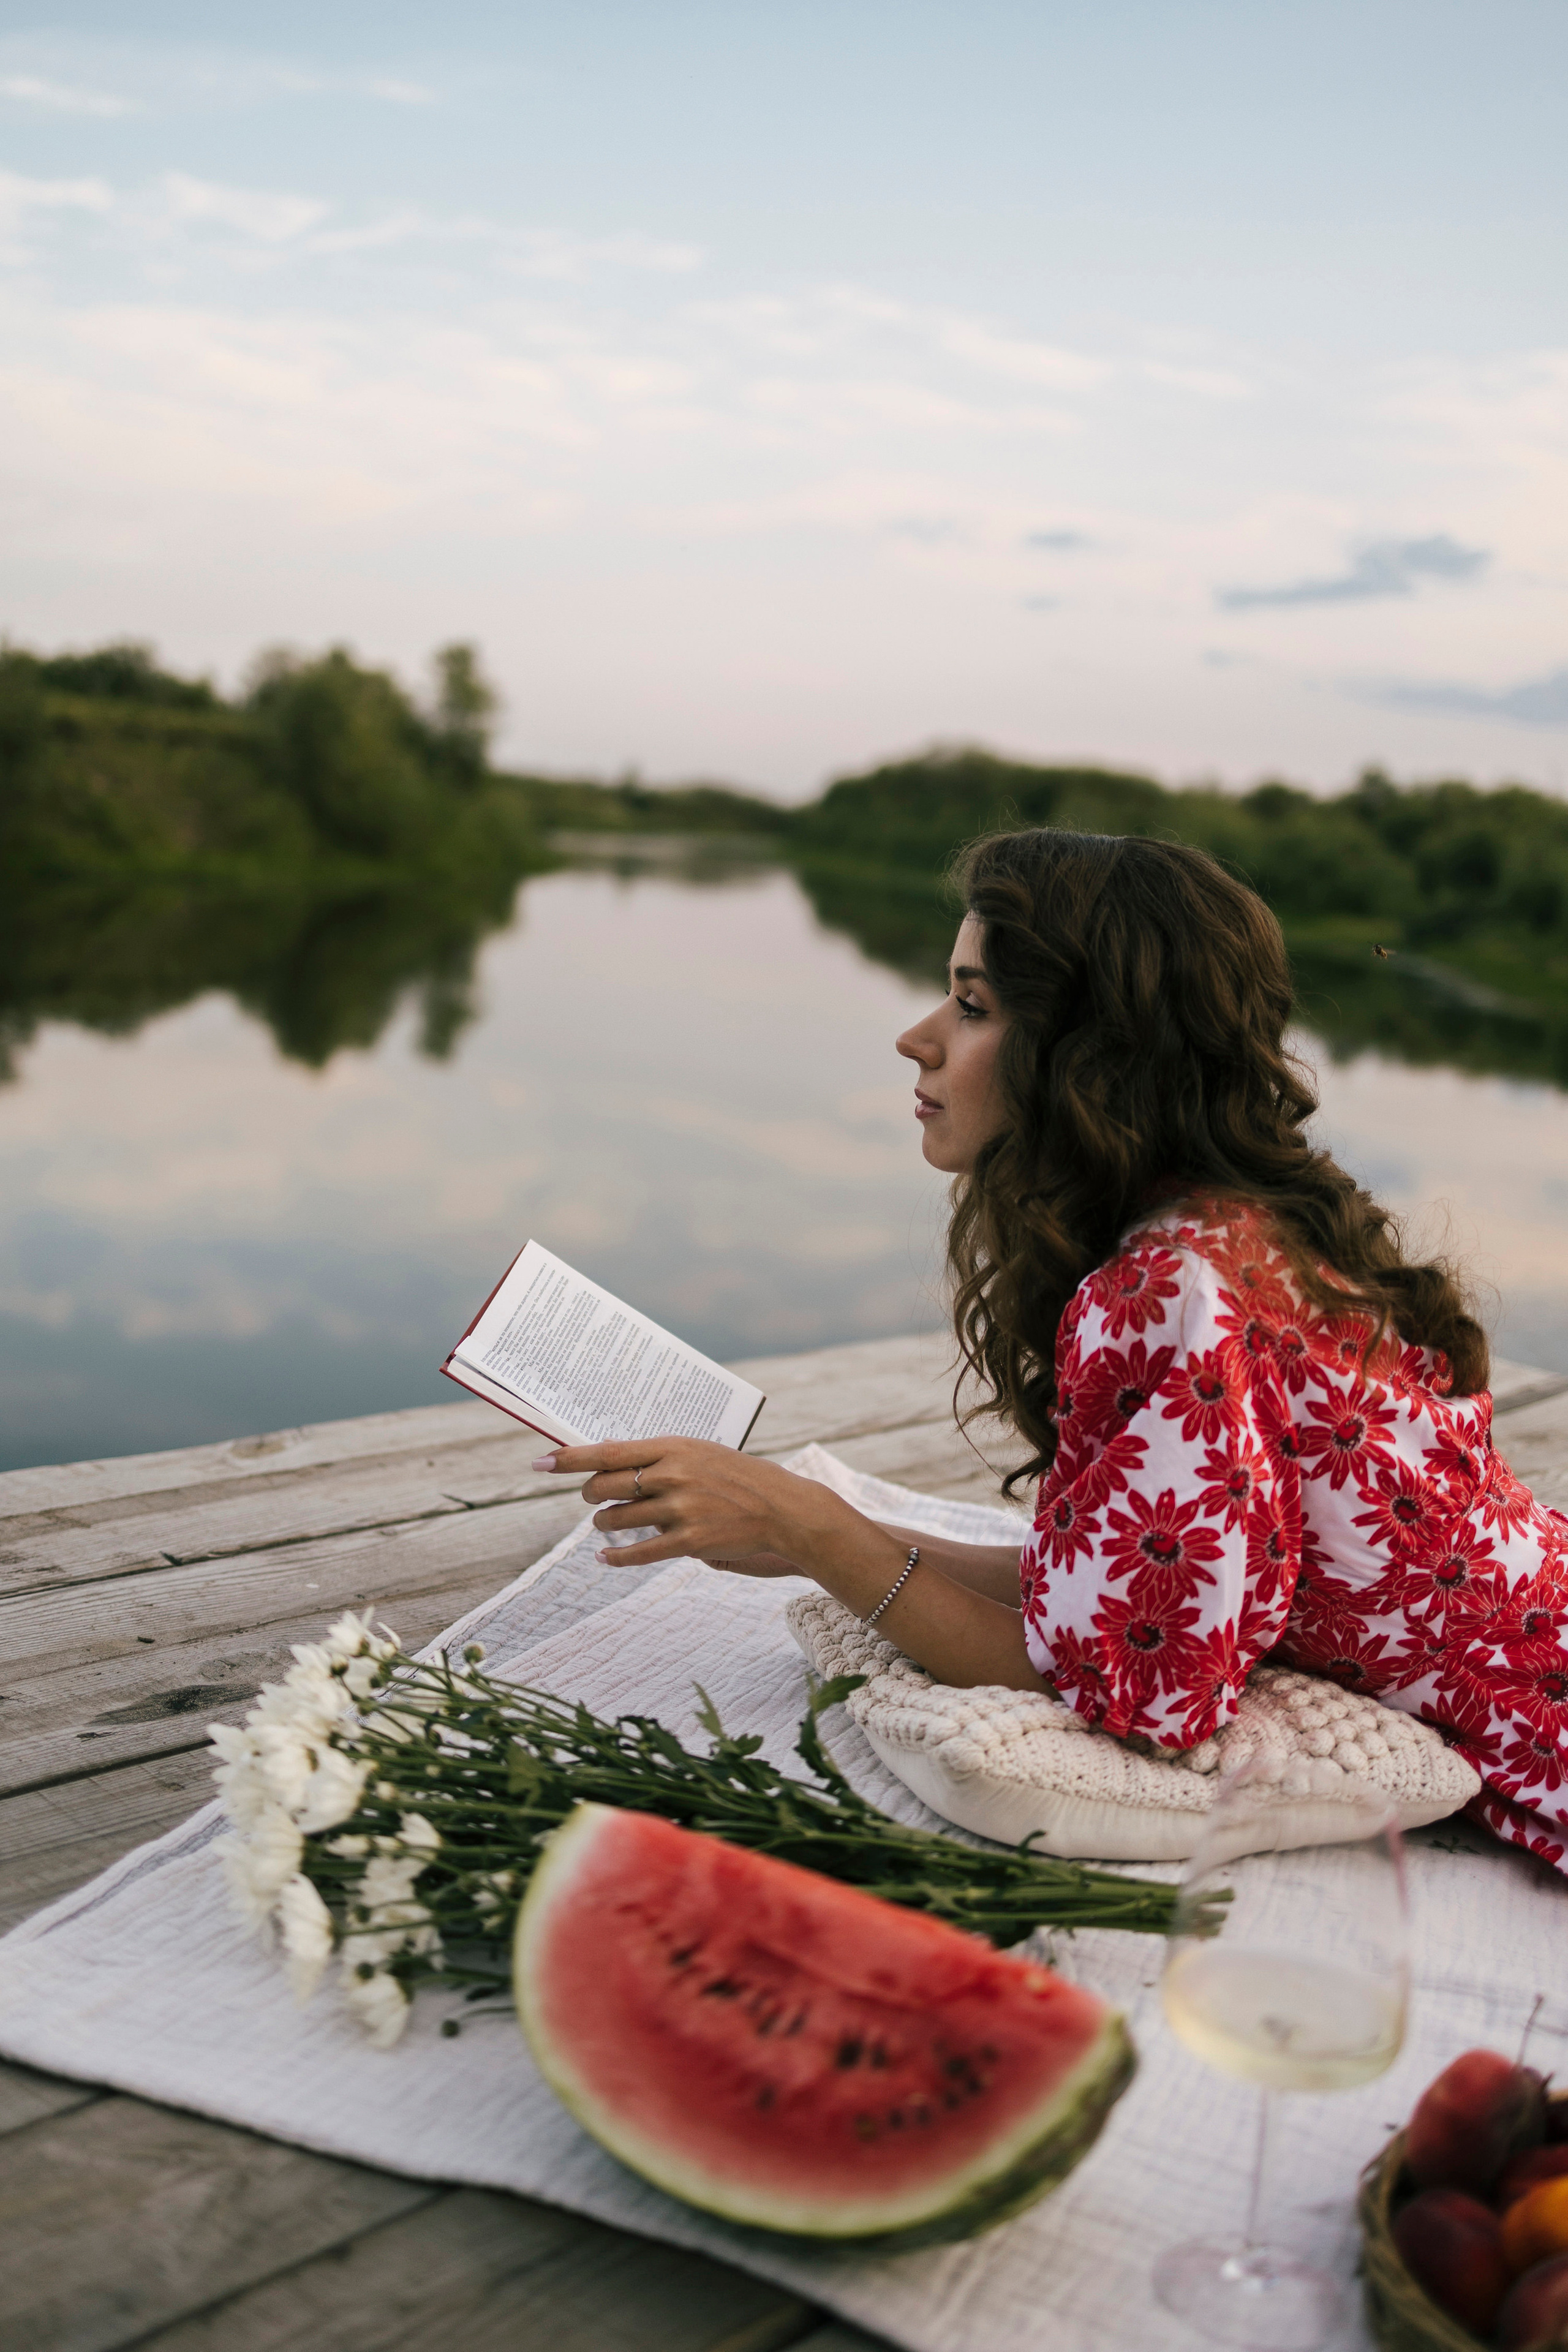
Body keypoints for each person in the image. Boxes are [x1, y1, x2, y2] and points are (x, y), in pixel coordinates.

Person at [540, 829, 1568, 1877]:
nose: (918, 1037)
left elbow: (1131, 1694)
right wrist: (838, 1529)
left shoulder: (1171, 1289)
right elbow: (1115, 1595)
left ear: (1091, 1057)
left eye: (974, 1006)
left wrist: (815, 1535)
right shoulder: (1228, 1233)